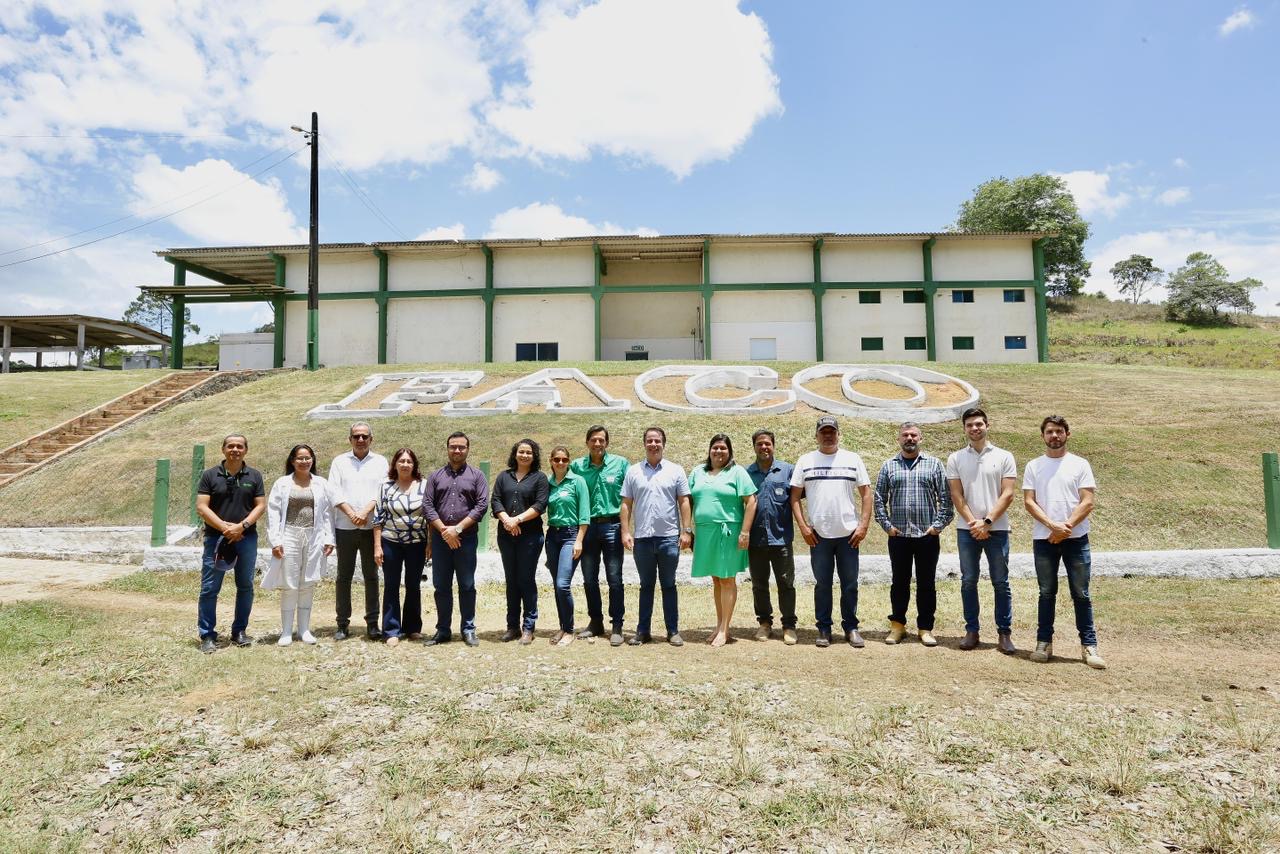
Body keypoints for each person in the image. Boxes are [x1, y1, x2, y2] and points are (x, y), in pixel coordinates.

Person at [1023, 415, 1106, 669]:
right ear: (1043, 436)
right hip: (1044, 538)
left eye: (1059, 431)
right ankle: (1043, 643)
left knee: (1081, 593)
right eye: (1049, 431)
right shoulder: (1034, 466)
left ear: (1067, 434)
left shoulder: (1080, 464)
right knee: (1046, 592)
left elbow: (1088, 501)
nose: (1054, 436)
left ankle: (1089, 647)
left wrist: (1065, 527)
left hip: (1076, 539)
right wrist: (1052, 526)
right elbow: (1029, 501)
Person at [790, 416, 872, 649]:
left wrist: (863, 525)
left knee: (850, 584)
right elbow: (794, 497)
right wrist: (804, 527)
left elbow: (867, 494)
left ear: (838, 434)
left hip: (849, 535)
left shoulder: (852, 459)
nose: (828, 436)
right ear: (816, 435)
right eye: (823, 432)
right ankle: (824, 628)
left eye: (832, 432)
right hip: (819, 535)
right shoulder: (806, 461)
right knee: (822, 584)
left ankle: (851, 627)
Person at [874, 422, 954, 647]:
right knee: (899, 582)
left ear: (921, 438)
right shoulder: (889, 466)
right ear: (898, 439)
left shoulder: (934, 465)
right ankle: (897, 626)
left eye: (913, 435)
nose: (909, 438)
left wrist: (937, 526)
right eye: (905, 435)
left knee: (926, 583)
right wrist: (886, 526)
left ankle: (925, 628)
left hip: (927, 536)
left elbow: (946, 499)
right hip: (898, 536)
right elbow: (879, 498)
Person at [945, 407, 1018, 653]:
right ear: (964, 429)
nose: (975, 428)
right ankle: (972, 630)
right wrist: (973, 523)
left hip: (997, 529)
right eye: (970, 425)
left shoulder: (1004, 456)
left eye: (979, 424)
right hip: (967, 531)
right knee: (968, 581)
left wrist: (986, 522)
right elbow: (956, 494)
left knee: (1001, 582)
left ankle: (1004, 633)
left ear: (987, 425)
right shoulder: (955, 458)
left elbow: (1007, 494)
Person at [620, 426, 692, 646]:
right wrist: (625, 531)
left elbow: (684, 501)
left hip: (669, 538)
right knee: (646, 586)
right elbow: (626, 503)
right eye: (649, 441)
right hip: (642, 539)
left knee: (669, 585)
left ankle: (672, 631)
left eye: (657, 441)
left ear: (663, 443)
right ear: (644, 444)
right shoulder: (633, 471)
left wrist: (686, 531)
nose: (653, 444)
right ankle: (643, 631)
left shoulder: (675, 470)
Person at [195, 434, 267, 653]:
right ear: (223, 449)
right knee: (209, 588)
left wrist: (241, 527)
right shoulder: (209, 475)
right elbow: (202, 507)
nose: (235, 449)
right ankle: (207, 635)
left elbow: (260, 506)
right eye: (231, 446)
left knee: (245, 585)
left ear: (246, 450)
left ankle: (239, 631)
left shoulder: (254, 475)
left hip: (246, 538)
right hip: (216, 538)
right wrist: (225, 528)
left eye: (239, 446)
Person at [688, 434, 757, 648]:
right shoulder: (698, 472)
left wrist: (745, 532)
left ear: (730, 451)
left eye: (723, 448)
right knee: (716, 579)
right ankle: (719, 624)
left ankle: (725, 629)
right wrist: (687, 529)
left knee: (727, 578)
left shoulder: (737, 472)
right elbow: (687, 500)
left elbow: (752, 501)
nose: (719, 452)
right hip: (705, 533)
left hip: (727, 532)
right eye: (715, 448)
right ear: (709, 450)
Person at [263, 444, 335, 647]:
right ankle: (286, 631)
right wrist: (275, 540)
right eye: (300, 458)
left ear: (313, 460)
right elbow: (274, 512)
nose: (305, 462)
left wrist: (330, 538)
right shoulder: (283, 483)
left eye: (308, 458)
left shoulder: (321, 483)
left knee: (308, 581)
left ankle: (304, 629)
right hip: (290, 536)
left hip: (313, 536)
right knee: (290, 583)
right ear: (292, 461)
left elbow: (327, 512)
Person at [423, 431, 489, 647]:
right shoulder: (435, 476)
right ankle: (443, 630)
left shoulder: (477, 476)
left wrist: (457, 529)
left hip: (466, 540)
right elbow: (428, 505)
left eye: (461, 447)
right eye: (453, 446)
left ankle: (468, 629)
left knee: (467, 585)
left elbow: (481, 506)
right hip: (441, 541)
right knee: (441, 586)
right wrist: (445, 531)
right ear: (447, 448)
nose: (457, 450)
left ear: (467, 449)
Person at [328, 422, 389, 641]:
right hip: (345, 527)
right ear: (350, 439)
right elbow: (333, 491)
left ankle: (372, 623)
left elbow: (383, 491)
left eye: (364, 436)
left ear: (371, 439)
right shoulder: (339, 462)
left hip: (371, 527)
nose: (360, 440)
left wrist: (364, 512)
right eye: (356, 436)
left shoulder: (380, 462)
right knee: (343, 577)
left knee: (371, 576)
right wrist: (351, 513)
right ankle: (342, 623)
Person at [570, 425, 629, 646]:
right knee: (589, 578)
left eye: (601, 440)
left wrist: (626, 529)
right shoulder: (576, 467)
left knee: (615, 578)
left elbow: (628, 498)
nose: (597, 444)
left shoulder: (621, 464)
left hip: (612, 526)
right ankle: (596, 622)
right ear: (587, 442)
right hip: (587, 528)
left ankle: (617, 625)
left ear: (607, 442)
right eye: (593, 440)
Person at [491, 439, 550, 645]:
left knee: (525, 579)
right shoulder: (503, 476)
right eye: (521, 452)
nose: (524, 455)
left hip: (530, 537)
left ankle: (528, 626)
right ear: (515, 454)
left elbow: (540, 504)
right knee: (511, 580)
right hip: (506, 535)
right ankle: (512, 626)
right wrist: (507, 519)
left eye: (529, 452)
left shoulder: (540, 478)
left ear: (534, 456)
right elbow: (496, 500)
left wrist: (517, 519)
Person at [372, 448, 430, 647]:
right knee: (391, 585)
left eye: (409, 461)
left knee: (413, 585)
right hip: (391, 542)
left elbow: (430, 516)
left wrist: (429, 543)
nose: (405, 464)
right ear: (395, 464)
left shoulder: (424, 485)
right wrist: (377, 546)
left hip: (417, 543)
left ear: (414, 465)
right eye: (401, 461)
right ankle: (391, 630)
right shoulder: (385, 487)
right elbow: (378, 518)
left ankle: (412, 627)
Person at [746, 429, 798, 645]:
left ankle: (789, 626)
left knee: (786, 583)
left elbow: (797, 497)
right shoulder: (747, 474)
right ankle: (765, 623)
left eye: (767, 443)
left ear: (773, 445)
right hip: (756, 540)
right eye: (759, 444)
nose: (764, 447)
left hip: (781, 539)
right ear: (754, 447)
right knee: (759, 584)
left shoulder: (788, 471)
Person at [545, 445, 590, 647]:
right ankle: (563, 626)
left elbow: (584, 514)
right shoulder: (547, 483)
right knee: (557, 585)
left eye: (564, 460)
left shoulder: (577, 481)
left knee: (563, 584)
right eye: (557, 460)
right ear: (551, 461)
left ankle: (570, 630)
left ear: (569, 461)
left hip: (571, 536)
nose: (560, 463)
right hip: (552, 536)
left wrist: (579, 539)